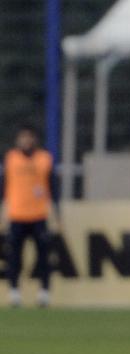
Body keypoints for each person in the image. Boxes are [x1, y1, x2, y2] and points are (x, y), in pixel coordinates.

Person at [1, 125, 59, 308]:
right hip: (17, 215)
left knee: (43, 256)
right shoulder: (11, 158)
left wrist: (57, 213)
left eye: (29, 137)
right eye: (23, 137)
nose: (26, 140)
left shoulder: (44, 159)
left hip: (38, 215)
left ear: (34, 139)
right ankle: (14, 293)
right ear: (18, 140)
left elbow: (53, 188)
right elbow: (3, 187)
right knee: (14, 257)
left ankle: (44, 293)